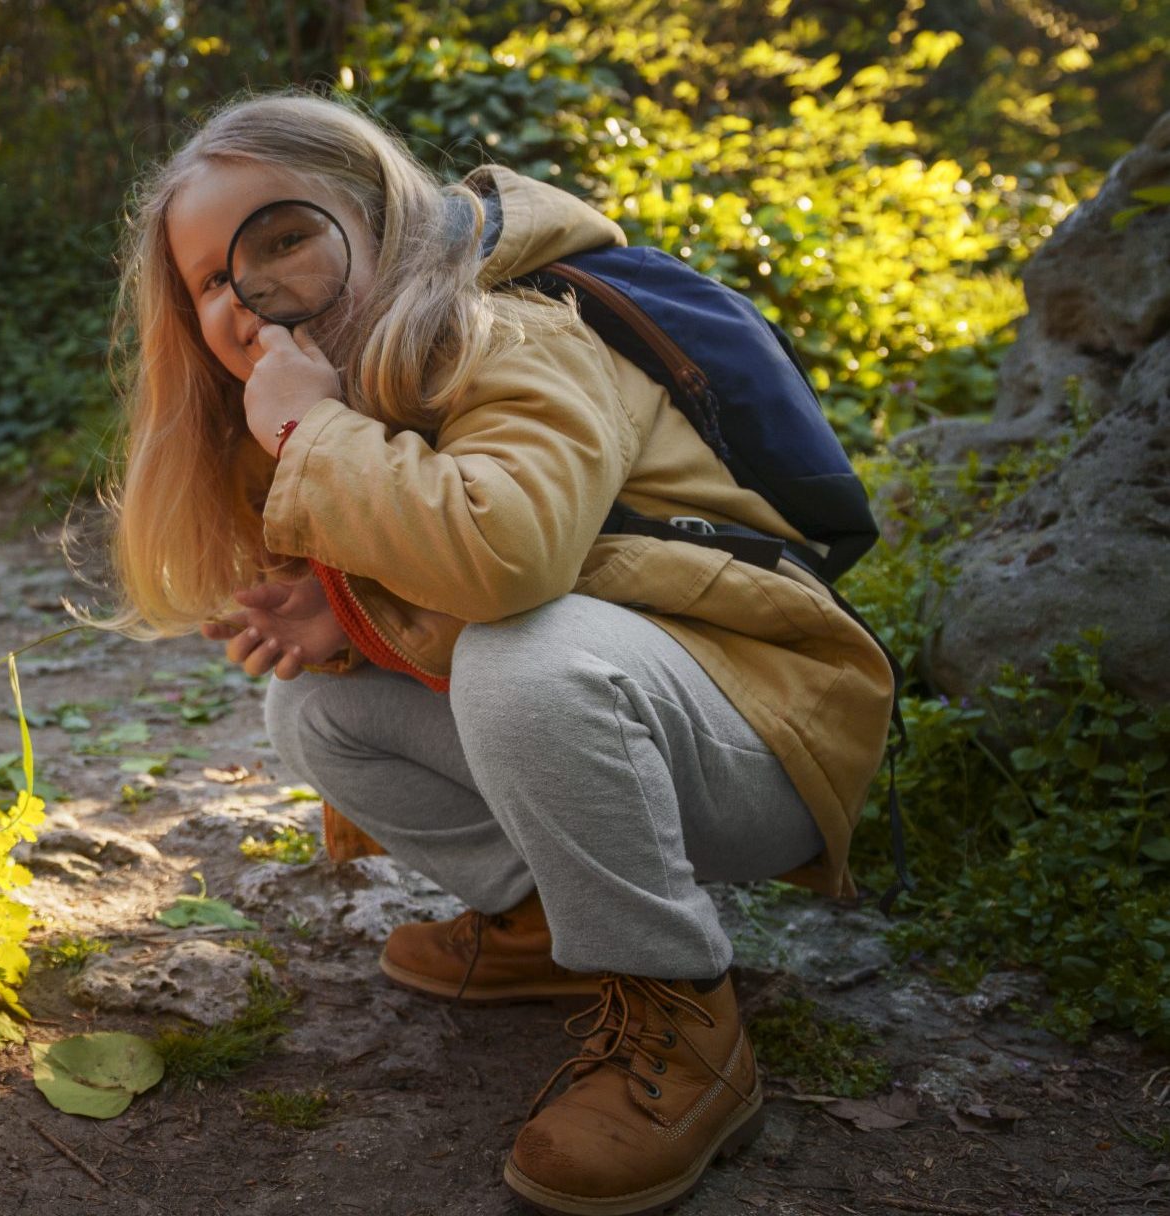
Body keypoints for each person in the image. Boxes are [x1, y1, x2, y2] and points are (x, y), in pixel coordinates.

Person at [96, 91, 892, 1216]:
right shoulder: (369, 372)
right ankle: (539, 926)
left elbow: (510, 559)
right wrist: (353, 617)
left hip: (763, 725)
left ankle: (684, 1016)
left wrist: (305, 434)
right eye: (209, 283)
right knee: (319, 713)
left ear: (379, 219)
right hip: (644, 714)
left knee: (530, 660)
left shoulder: (509, 327)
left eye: (278, 238)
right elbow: (500, 565)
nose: (247, 292)